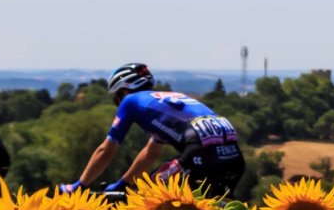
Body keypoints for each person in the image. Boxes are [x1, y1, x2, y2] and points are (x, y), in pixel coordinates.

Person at [70, 63, 246, 197]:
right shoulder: (165, 100)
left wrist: (80, 186)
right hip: (233, 155)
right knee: (215, 208)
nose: (118, 104)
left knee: (144, 198)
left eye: (116, 99)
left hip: (199, 149)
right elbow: (150, 153)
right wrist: (123, 184)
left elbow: (106, 150)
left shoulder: (130, 100)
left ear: (123, 91)